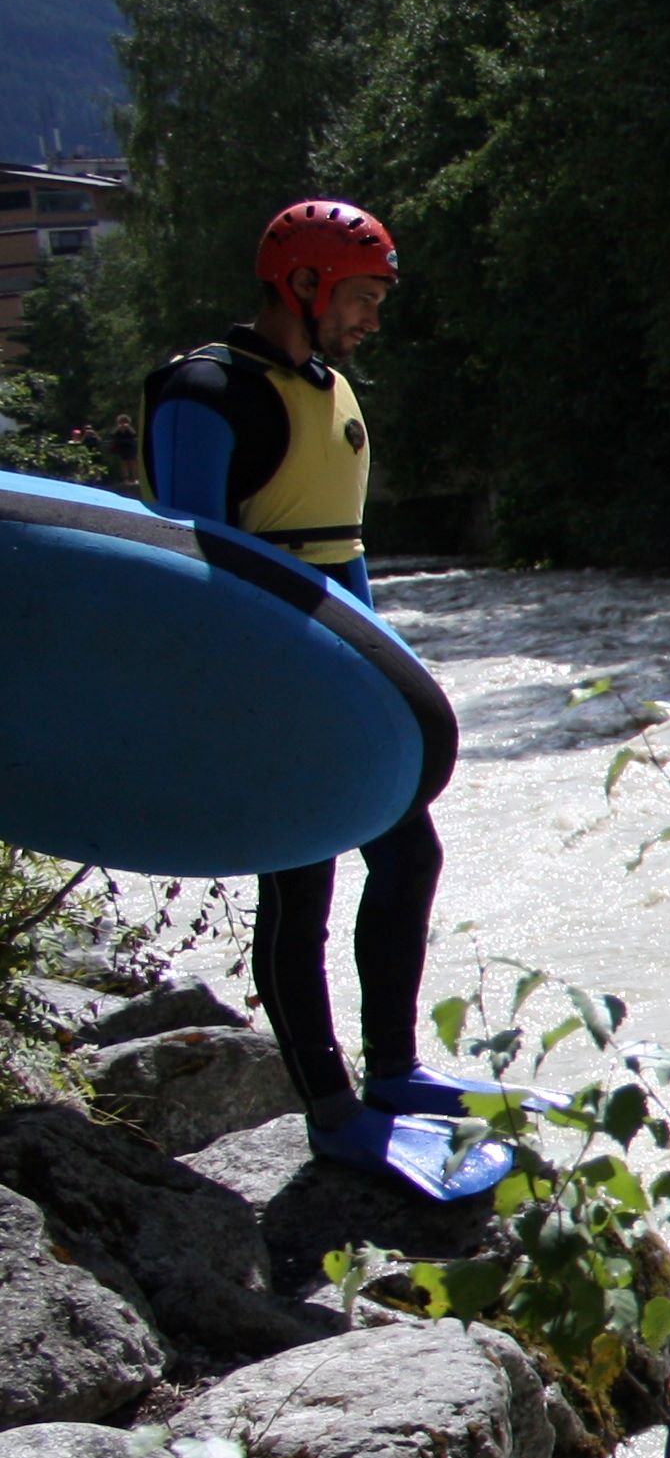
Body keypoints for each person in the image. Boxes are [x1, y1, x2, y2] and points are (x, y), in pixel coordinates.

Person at [142, 200, 462, 1164]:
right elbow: (189, 560)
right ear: (307, 284)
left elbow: (346, 560)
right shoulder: (205, 390)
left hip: (346, 675)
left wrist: (387, 679)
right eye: (363, 296)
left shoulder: (333, 390)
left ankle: (395, 1071)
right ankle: (333, 1117)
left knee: (408, 859)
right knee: (300, 895)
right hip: (266, 682)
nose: (371, 318)